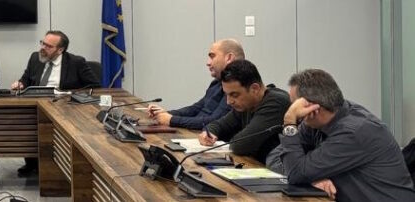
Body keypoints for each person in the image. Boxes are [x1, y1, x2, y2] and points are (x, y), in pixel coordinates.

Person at [275, 69, 415, 201]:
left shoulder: (355, 131)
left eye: (294, 107)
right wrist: (311, 178)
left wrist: (289, 121)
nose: (293, 111)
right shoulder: (315, 123)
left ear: (312, 109)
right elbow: (275, 157)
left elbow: (296, 172)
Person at [10, 30, 98, 176]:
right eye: (42, 43)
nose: (43, 48)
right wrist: (20, 84)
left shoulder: (76, 62)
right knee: (25, 124)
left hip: (64, 109)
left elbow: (94, 86)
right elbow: (26, 79)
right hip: (36, 104)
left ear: (60, 49)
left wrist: (70, 94)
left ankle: (58, 166)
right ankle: (31, 163)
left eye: (49, 46)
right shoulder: (35, 58)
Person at [200, 59, 289, 163]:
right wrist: (209, 133)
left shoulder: (276, 102)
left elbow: (240, 145)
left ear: (254, 89)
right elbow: (219, 125)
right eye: (227, 94)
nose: (229, 102)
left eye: (234, 95)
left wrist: (229, 136)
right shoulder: (247, 103)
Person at [146, 39, 243, 130]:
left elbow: (215, 121)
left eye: (212, 56)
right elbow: (196, 108)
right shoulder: (216, 83)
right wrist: (165, 114)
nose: (208, 63)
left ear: (229, 58)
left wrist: (171, 120)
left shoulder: (237, 88)